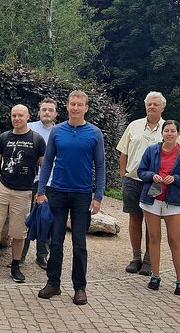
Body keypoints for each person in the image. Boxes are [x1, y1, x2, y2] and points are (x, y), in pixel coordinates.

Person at [36, 90, 105, 306]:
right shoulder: (57, 131)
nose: (75, 108)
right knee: (56, 242)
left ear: (86, 108)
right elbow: (47, 162)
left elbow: (101, 166)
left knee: (79, 244)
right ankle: (53, 283)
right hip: (57, 192)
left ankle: (79, 288)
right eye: (72, 104)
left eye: (80, 105)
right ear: (66, 106)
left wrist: (98, 196)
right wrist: (40, 191)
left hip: (82, 195)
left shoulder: (95, 133)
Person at [0, 104, 45, 283]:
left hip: (24, 191)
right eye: (14, 115)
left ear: (28, 117)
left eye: (20, 115)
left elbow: (45, 166)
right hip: (3, 187)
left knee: (19, 231)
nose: (17, 118)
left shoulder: (36, 140)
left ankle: (15, 266)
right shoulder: (5, 137)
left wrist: (43, 190)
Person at [116, 91, 180, 276]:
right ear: (145, 106)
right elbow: (123, 152)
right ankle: (135, 258)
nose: (152, 107)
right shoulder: (134, 126)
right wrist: (123, 175)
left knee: (152, 223)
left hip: (156, 184)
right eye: (149, 104)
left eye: (155, 104)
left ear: (162, 107)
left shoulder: (168, 128)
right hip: (133, 180)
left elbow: (178, 153)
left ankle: (149, 260)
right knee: (134, 218)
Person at [137, 120, 180, 296]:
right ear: (162, 133)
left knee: (174, 240)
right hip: (152, 199)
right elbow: (141, 171)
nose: (169, 134)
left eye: (172, 131)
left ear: (178, 134)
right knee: (154, 238)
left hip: (174, 201)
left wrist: (175, 179)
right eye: (166, 131)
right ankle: (155, 276)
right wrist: (152, 175)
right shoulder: (151, 150)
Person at [21, 97, 57, 269]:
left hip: (51, 182)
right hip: (30, 180)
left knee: (46, 219)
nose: (47, 112)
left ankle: (42, 255)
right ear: (39, 112)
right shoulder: (30, 129)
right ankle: (20, 255)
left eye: (50, 110)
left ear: (56, 113)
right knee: (26, 218)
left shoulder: (59, 131)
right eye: (44, 109)